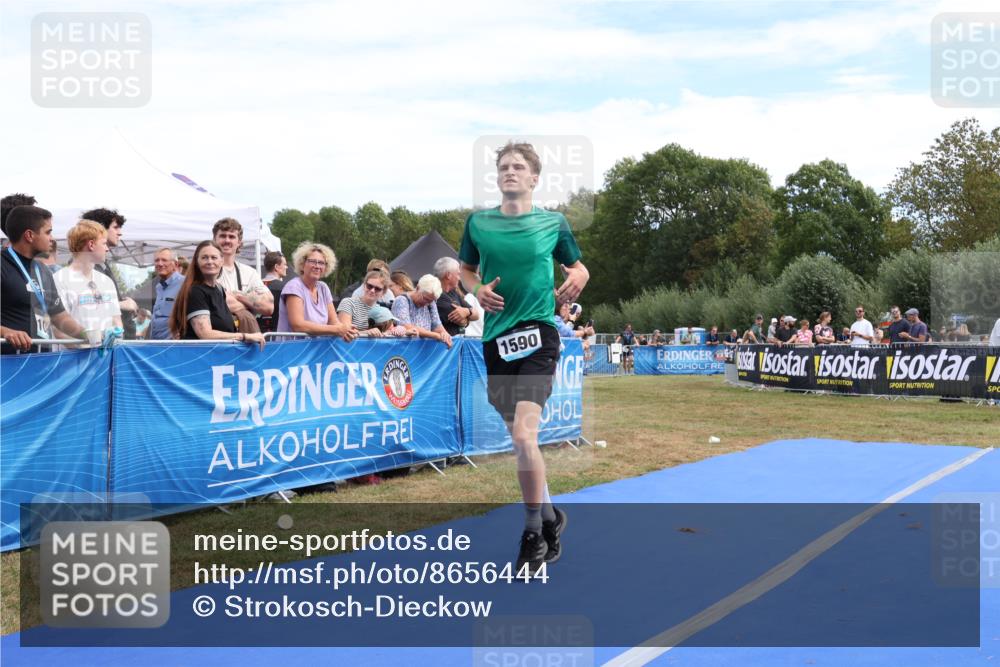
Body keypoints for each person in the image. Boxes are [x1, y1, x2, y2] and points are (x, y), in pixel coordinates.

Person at [458, 141, 587, 574]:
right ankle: (551, 517)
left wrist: (581, 274)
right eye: (503, 167)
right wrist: (477, 290)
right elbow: (466, 271)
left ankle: (533, 531)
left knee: (524, 436)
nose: (509, 172)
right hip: (496, 341)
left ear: (534, 177)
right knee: (521, 441)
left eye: (518, 167)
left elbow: (577, 266)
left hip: (538, 335)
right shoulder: (478, 223)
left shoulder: (553, 222)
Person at [1, 206, 86, 354]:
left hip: (41, 361)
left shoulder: (43, 270)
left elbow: (60, 317)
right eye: (48, 232)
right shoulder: (2, 264)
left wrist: (91, 335)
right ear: (29, 235)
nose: (52, 238)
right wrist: (5, 332)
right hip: (8, 363)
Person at [168, 240, 265, 346]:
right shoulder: (196, 291)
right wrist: (245, 336)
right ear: (197, 262)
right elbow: (205, 334)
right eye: (204, 257)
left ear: (222, 261)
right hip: (202, 354)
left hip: (220, 353)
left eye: (214, 257)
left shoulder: (219, 289)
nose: (210, 261)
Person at [52, 220, 123, 346]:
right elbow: (58, 330)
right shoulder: (59, 279)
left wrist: (115, 341)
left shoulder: (106, 281)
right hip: (74, 357)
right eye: (104, 243)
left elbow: (116, 320)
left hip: (106, 356)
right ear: (91, 245)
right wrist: (88, 349)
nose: (107, 249)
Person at [278, 242, 358, 341]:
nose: (317, 266)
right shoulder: (294, 287)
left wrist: (346, 331)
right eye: (312, 261)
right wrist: (337, 329)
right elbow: (298, 325)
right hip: (293, 347)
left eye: (321, 263)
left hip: (317, 347)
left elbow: (333, 321)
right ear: (302, 264)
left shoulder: (323, 288)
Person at [81, 208, 138, 338]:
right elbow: (85, 302)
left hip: (114, 341)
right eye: (116, 227)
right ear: (100, 228)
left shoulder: (102, 264)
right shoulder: (83, 264)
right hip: (101, 342)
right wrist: (122, 304)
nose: (120, 233)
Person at [212, 218, 273, 331]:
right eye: (222, 236)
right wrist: (250, 304)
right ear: (214, 239)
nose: (227, 240)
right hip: (214, 336)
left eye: (231, 237)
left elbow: (268, 306)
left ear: (239, 242)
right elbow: (211, 304)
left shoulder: (250, 273)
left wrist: (237, 295)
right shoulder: (206, 269)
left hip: (244, 336)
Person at [391, 274, 453, 347]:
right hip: (404, 349)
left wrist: (444, 334)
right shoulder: (402, 300)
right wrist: (436, 335)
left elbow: (437, 326)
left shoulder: (431, 302)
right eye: (425, 299)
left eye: (430, 301)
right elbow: (407, 327)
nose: (427, 303)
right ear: (418, 288)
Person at [338, 269, 392, 337]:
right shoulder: (348, 303)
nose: (372, 290)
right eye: (369, 286)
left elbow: (389, 331)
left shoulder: (382, 311)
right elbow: (344, 332)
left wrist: (398, 330)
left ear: (383, 292)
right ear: (364, 285)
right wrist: (366, 333)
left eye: (377, 289)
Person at [434, 256, 478, 336]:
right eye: (458, 274)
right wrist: (468, 317)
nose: (459, 278)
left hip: (457, 341)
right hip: (444, 342)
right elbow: (461, 321)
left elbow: (477, 315)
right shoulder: (436, 295)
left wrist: (467, 311)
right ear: (448, 275)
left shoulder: (453, 292)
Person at [151, 248, 184, 340]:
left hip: (173, 345)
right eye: (157, 260)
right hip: (157, 344)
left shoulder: (184, 284)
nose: (160, 264)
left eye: (164, 260)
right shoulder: (159, 287)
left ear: (175, 264)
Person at [261, 250, 288, 333]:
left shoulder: (256, 285)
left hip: (257, 333)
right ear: (276, 267)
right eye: (285, 264)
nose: (286, 267)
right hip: (278, 334)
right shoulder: (285, 288)